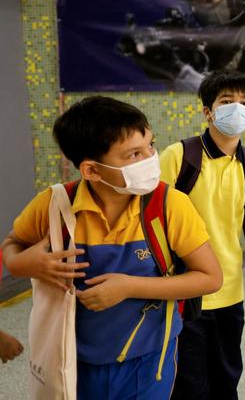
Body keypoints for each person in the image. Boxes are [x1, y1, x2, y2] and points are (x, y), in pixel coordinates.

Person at [1, 96, 222, 399]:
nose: (149, 159)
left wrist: (129, 286)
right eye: (133, 154)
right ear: (91, 170)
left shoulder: (170, 205)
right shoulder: (54, 205)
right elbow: (12, 245)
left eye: (150, 146)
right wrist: (26, 264)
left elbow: (210, 278)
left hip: (148, 361)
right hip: (71, 362)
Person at [160, 69, 245, 400]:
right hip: (182, 295)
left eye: (244, 102)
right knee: (188, 385)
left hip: (230, 293)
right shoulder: (178, 158)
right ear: (207, 111)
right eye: (226, 101)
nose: (237, 108)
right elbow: (149, 219)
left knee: (226, 379)